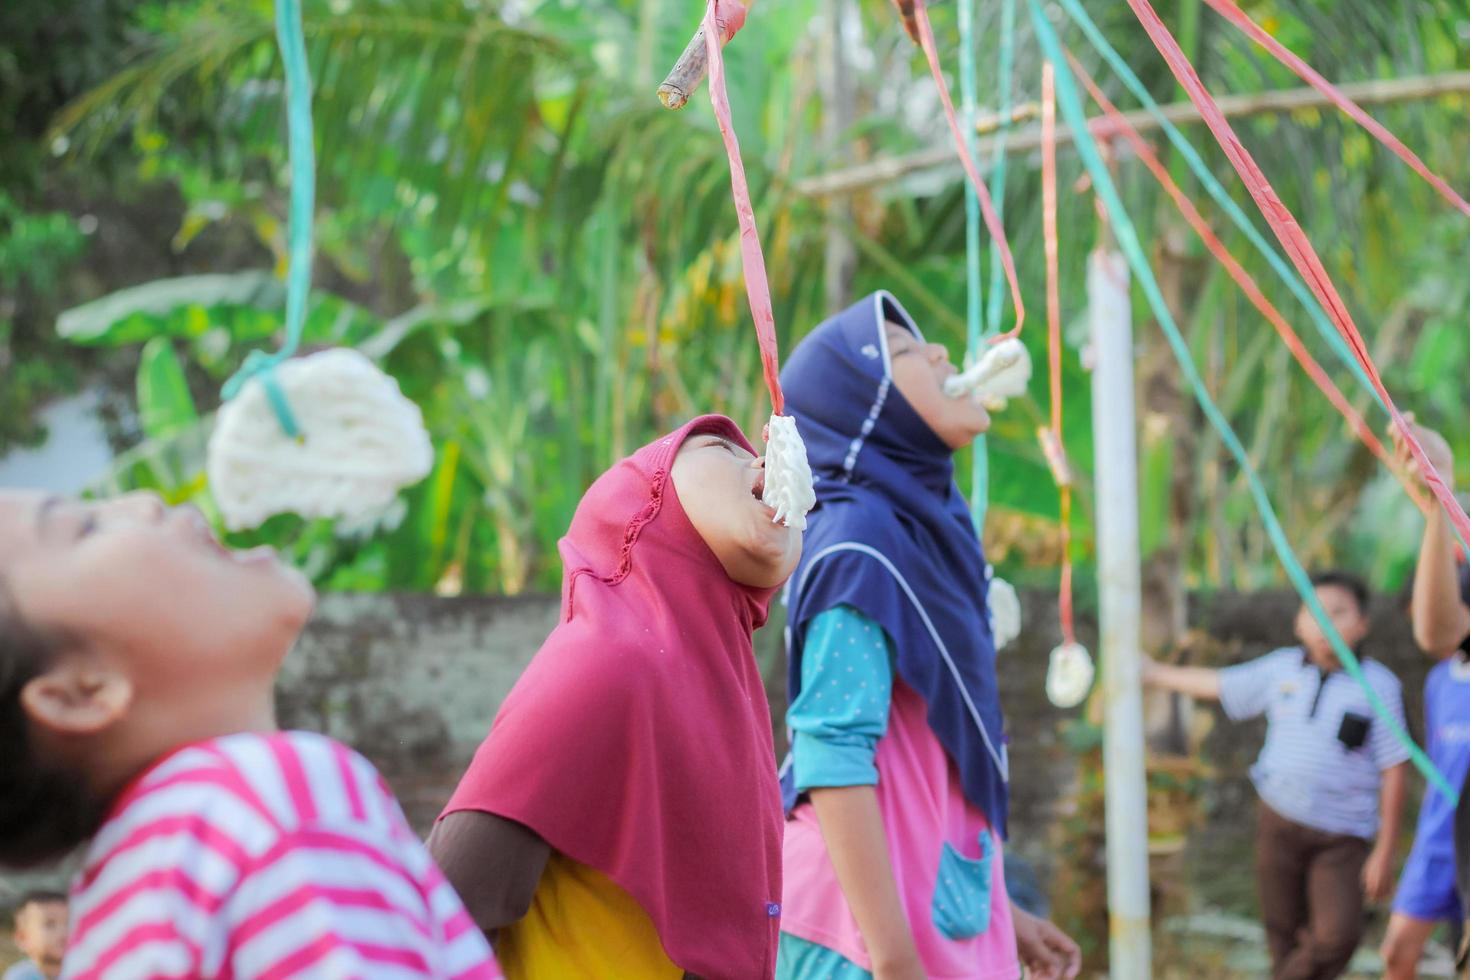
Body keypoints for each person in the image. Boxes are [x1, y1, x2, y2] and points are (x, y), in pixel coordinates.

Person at [0, 489, 499, 978]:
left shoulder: (128, 892)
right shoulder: (268, 800)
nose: (145, 501)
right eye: (85, 528)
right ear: (80, 694)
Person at [774, 291, 1081, 980]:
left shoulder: (923, 532)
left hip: (919, 909)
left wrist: (1003, 910)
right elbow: (833, 757)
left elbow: (931, 762)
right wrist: (894, 959)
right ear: (866, 402)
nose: (942, 352)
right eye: (907, 351)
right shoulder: (858, 545)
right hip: (853, 935)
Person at [429, 415, 802, 980]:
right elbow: (446, 906)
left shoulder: (725, 696)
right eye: (720, 450)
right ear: (645, 498)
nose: (762, 464)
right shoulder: (605, 661)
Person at [1143, 571, 1410, 980]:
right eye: (1315, 613)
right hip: (1278, 823)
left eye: (1338, 613)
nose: (1326, 625)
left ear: (1362, 624)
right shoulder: (1281, 670)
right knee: (1281, 935)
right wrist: (1154, 673)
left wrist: (1385, 852)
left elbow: (1395, 769)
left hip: (1342, 837)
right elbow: (1219, 684)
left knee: (1336, 937)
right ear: (1298, 622)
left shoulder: (1379, 686)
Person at [1383, 418, 1470, 978]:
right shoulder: (1446, 676)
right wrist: (1440, 492)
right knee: (1398, 954)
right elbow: (1439, 632)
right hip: (1449, 830)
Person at [3, 891, 67, 980]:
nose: (64, 931)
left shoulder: (84, 969)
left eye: (69, 922)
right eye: (50, 924)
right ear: (22, 938)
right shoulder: (20, 976)